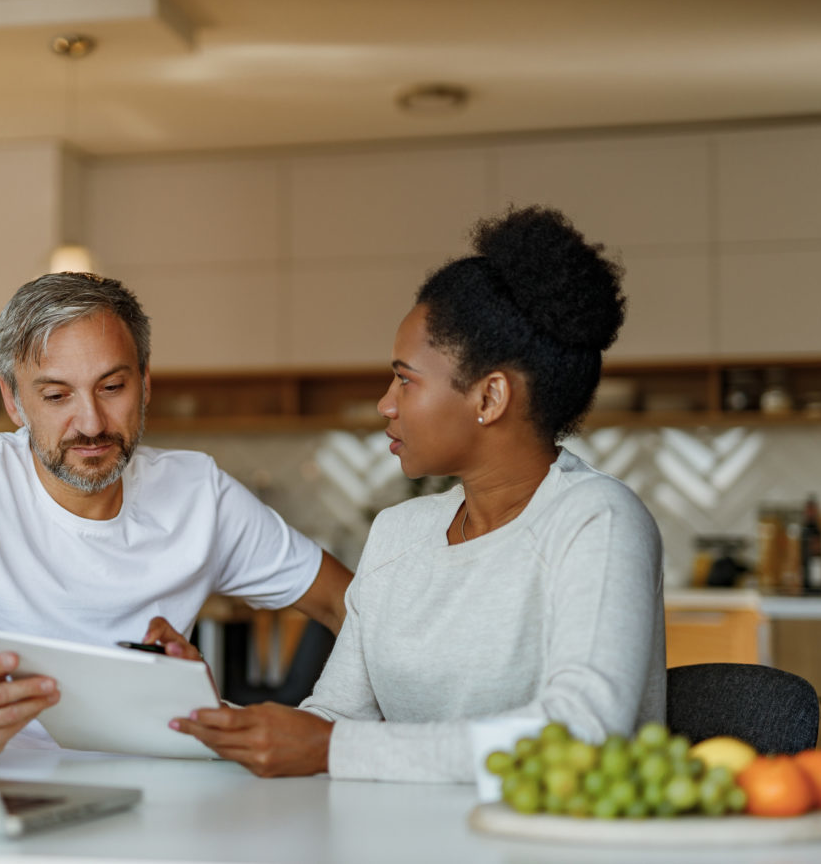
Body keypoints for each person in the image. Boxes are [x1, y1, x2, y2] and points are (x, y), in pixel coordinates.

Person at [172, 206, 666, 782]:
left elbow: (586, 731)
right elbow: (330, 722)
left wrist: (335, 748)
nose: (386, 403)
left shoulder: (596, 519)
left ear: (490, 397)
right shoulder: (398, 533)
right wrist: (197, 709)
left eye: (405, 379)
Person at [0, 272, 352, 757]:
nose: (91, 424)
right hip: (13, 784)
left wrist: (333, 724)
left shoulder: (199, 494)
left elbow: (351, 606)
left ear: (145, 383)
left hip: (162, 782)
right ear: (13, 399)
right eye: (56, 396)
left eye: (111, 387)